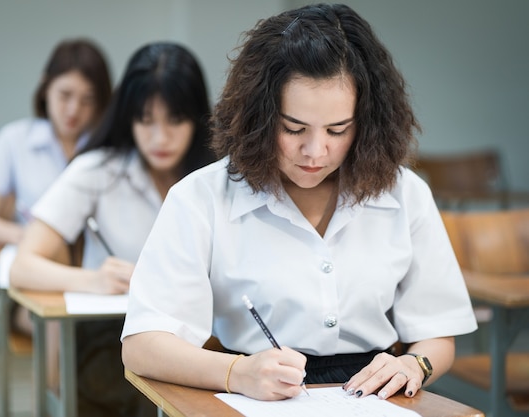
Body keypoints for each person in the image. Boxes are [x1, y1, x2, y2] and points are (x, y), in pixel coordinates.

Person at [121, 3, 478, 403]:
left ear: (367, 122)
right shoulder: (201, 197)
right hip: (250, 393)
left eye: (337, 130)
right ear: (259, 116)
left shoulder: (404, 193)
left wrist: (415, 364)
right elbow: (141, 346)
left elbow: (436, 336)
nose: (315, 151)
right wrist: (236, 371)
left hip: (374, 400)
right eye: (294, 128)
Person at [10, 42, 215, 417]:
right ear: (127, 117)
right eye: (146, 120)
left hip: (205, 340)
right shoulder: (98, 170)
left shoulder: (217, 178)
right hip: (112, 341)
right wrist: (94, 280)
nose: (160, 138)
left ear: (198, 118)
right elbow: (22, 266)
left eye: (175, 120)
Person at [0, 38, 112, 387]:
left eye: (88, 99)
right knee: (52, 313)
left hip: (98, 277)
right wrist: (35, 236)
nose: (73, 110)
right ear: (45, 86)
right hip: (33, 283)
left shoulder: (106, 148)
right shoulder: (16, 140)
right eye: (65, 95)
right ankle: (55, 405)